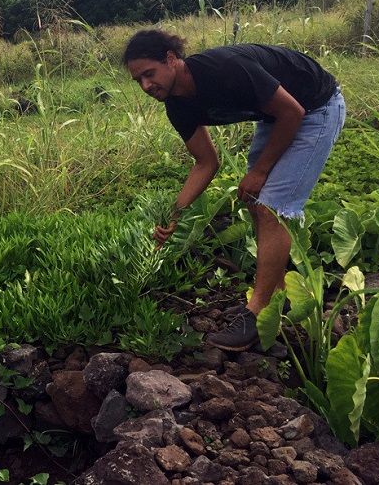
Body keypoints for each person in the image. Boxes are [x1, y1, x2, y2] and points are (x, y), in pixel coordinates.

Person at [122, 29, 345, 351]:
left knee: (272, 206)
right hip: (275, 117)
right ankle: (277, 294)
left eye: (149, 74)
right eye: (138, 81)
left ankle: (257, 310)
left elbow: (292, 112)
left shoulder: (222, 70)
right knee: (257, 202)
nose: (145, 86)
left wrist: (259, 171)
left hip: (315, 108)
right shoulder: (177, 105)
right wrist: (176, 214)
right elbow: (205, 163)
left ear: (171, 60)